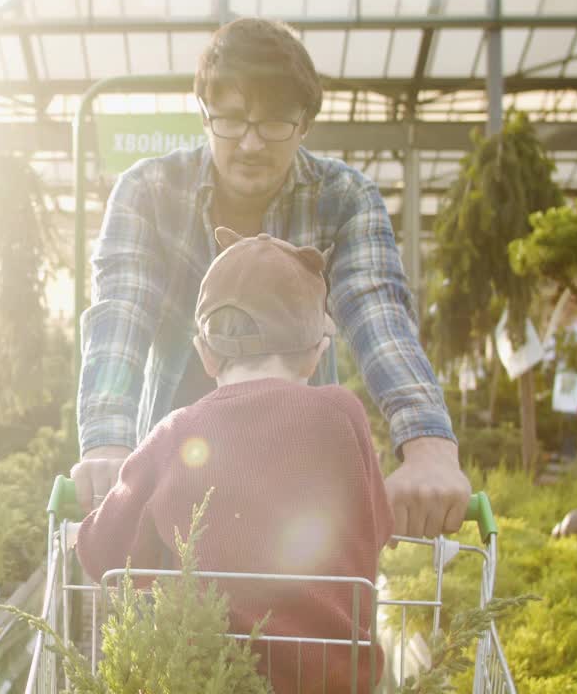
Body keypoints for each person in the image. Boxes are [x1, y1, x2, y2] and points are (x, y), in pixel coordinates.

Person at [72, 17, 470, 539]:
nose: (252, 143)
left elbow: (380, 316)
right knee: (164, 601)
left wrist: (429, 449)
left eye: (276, 120)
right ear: (204, 114)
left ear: (305, 123)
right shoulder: (148, 192)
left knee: (299, 601)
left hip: (297, 473)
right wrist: (107, 445)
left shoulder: (343, 199)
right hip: (172, 466)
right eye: (232, 119)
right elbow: (120, 316)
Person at [76, 229, 393, 693]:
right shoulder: (343, 414)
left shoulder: (176, 430)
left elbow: (108, 554)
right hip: (332, 679)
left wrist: (87, 523)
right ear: (316, 354)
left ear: (205, 354)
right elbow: (376, 527)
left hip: (210, 677)